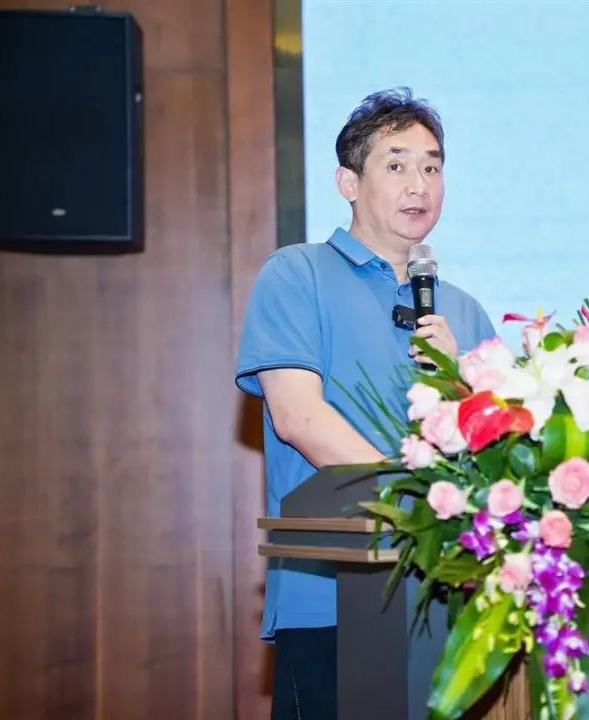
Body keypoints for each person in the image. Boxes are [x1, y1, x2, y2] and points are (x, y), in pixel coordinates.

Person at [235, 87, 496, 719]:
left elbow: (497, 459)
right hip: (333, 596)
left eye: (432, 167)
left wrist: (464, 381)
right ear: (347, 182)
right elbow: (299, 419)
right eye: (396, 164)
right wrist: (414, 505)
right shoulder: (296, 274)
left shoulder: (464, 312)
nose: (419, 185)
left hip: (450, 602)